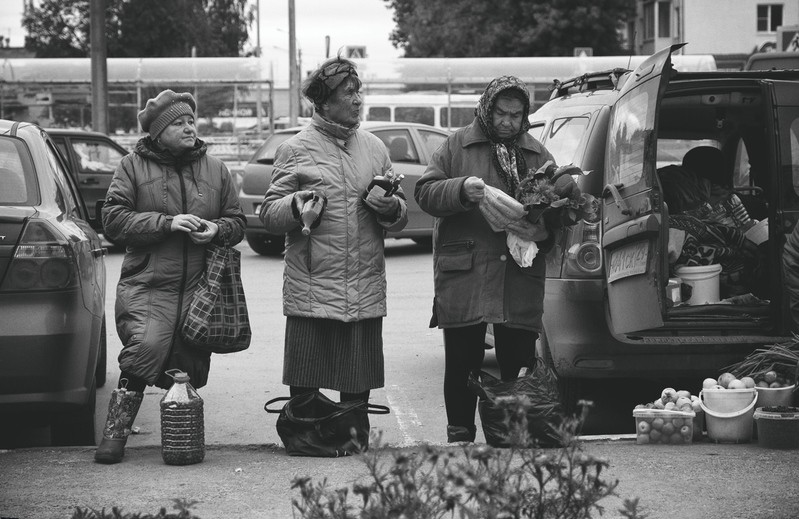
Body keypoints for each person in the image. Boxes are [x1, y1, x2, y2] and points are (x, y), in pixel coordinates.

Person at [95, 89, 246, 464]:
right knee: (143, 349)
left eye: (191, 121)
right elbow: (113, 219)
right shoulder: (132, 166)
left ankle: (182, 441)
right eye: (178, 123)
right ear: (159, 133)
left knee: (189, 366)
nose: (189, 127)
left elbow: (238, 222)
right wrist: (166, 223)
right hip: (148, 283)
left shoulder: (216, 169)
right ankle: (115, 435)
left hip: (201, 288)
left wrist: (216, 230)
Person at [415, 75, 558, 443]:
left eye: (516, 114)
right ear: (487, 108)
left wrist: (543, 231)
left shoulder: (538, 155)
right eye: (501, 113)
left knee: (517, 362)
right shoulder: (456, 146)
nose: (508, 122)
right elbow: (425, 193)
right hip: (466, 271)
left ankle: (510, 435)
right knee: (463, 360)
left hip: (517, 275)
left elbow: (560, 214)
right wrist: (460, 188)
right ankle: (460, 434)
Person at [260, 57, 408, 407]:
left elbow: (400, 214)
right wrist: (296, 206)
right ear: (323, 102)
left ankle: (353, 436)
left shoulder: (374, 147)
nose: (358, 100)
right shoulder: (294, 149)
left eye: (359, 92)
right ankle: (307, 436)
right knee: (307, 381)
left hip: (363, 283)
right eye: (349, 93)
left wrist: (391, 208)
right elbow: (269, 213)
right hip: (313, 285)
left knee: (357, 381)